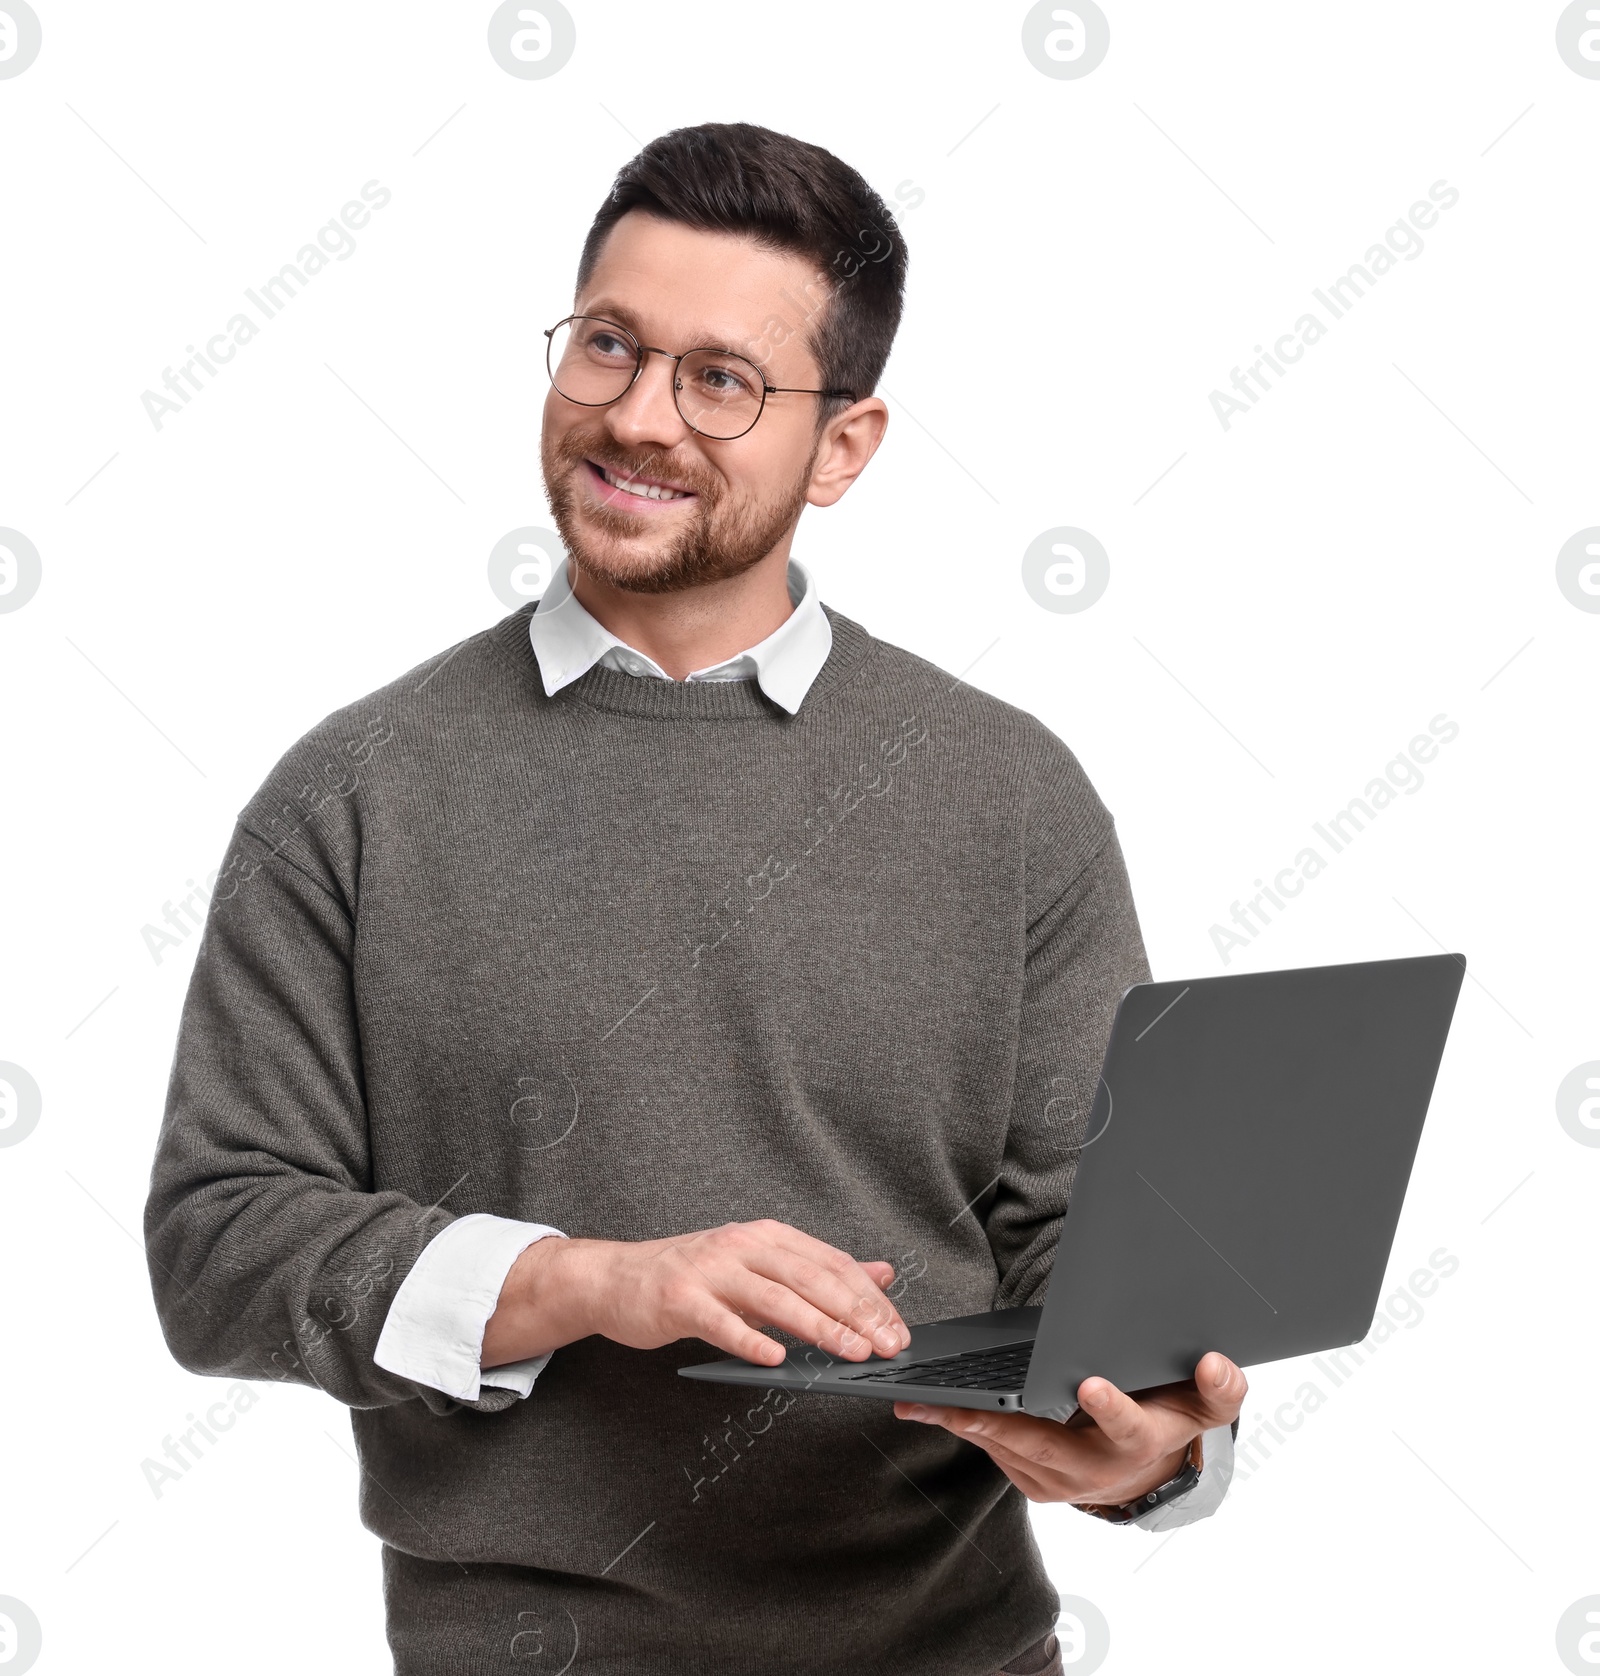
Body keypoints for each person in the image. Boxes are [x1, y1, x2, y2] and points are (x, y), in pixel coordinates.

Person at [145, 121, 1246, 1676]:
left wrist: (1150, 1451)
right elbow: (221, 1249)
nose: (638, 417)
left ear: (845, 446)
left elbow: (1083, 1245)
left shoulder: (1009, 794)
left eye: (720, 378)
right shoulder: (353, 792)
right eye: (608, 346)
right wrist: (591, 1283)